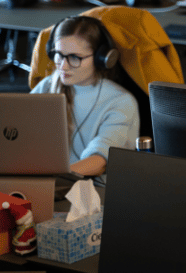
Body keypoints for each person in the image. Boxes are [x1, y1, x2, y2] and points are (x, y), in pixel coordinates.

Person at [31, 16, 139, 185]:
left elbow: (99, 160)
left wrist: (49, 179)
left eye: (74, 58)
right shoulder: (48, 86)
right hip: (54, 185)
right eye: (59, 54)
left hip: (96, 191)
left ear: (101, 58)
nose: (63, 66)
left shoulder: (120, 102)